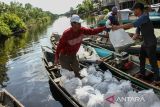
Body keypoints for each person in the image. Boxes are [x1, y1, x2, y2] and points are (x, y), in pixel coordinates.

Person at [112, 3, 160, 84]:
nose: (133, 12)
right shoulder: (140, 19)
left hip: (151, 43)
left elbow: (132, 24)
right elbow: (136, 33)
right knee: (141, 57)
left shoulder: (144, 17)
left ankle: (157, 80)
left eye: (134, 10)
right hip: (145, 43)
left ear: (138, 9)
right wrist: (128, 41)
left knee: (153, 62)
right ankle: (142, 73)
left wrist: (117, 27)